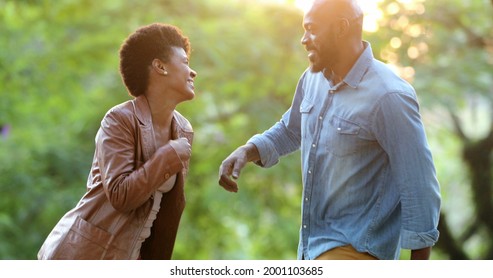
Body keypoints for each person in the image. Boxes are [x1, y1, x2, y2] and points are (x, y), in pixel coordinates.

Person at [218, 0, 440, 260]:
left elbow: (420, 188)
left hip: (358, 254)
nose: (304, 39)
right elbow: (292, 130)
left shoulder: (389, 96)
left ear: (341, 28)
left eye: (311, 29)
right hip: (310, 251)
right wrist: (249, 150)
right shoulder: (311, 79)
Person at [38, 23, 197, 260]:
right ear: (160, 66)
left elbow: (168, 212)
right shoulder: (119, 120)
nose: (192, 72)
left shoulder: (183, 130)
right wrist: (167, 157)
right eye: (185, 63)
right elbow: (121, 196)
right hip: (82, 256)